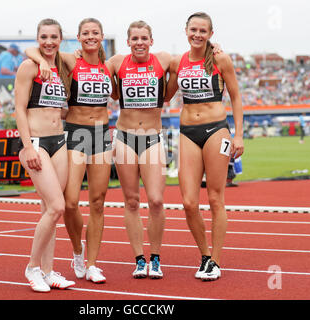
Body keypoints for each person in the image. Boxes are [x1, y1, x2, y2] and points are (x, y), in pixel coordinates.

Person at [25, 17, 117, 284]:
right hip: (76, 133)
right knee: (71, 202)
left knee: (98, 203)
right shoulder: (69, 60)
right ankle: (77, 252)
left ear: (101, 36)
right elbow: (33, 50)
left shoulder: (110, 65)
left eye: (95, 33)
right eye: (85, 33)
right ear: (78, 37)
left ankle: (91, 264)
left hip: (101, 135)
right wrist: (42, 61)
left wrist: (213, 48)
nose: (90, 36)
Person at [166, 12, 244, 281]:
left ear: (211, 34)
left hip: (216, 130)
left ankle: (216, 261)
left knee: (214, 198)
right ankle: (204, 256)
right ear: (185, 30)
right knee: (188, 202)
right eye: (193, 30)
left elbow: (235, 97)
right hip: (187, 131)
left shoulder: (221, 59)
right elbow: (166, 95)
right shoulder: (179, 62)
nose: (197, 34)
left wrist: (239, 135)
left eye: (203, 30)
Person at [14, 18, 75, 292]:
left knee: (49, 209)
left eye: (54, 37)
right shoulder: (29, 66)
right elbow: (19, 109)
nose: (49, 41)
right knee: (57, 207)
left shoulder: (62, 67)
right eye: (44, 37)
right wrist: (27, 146)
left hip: (59, 141)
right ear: (37, 39)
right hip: (36, 142)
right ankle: (32, 267)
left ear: (61, 39)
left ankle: (49, 271)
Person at [107, 21, 171, 279]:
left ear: (151, 41)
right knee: (132, 201)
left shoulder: (164, 59)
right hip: (124, 137)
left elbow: (194, 57)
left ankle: (155, 258)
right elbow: (87, 61)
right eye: (135, 38)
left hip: (152, 137)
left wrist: (216, 48)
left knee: (156, 200)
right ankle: (139, 259)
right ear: (128, 41)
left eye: (144, 38)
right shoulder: (116, 62)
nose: (140, 42)